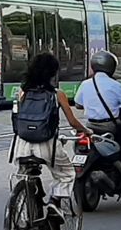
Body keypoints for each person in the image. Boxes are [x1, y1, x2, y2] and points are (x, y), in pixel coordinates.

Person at [15, 52, 86, 218]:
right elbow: (73, 122)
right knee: (67, 173)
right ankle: (55, 202)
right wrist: (86, 131)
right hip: (46, 145)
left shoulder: (22, 92)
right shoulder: (57, 94)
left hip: (22, 145)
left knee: (23, 179)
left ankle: (24, 220)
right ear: (53, 73)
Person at [79, 49, 121, 182]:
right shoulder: (115, 85)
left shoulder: (85, 84)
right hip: (110, 126)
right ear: (111, 67)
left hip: (90, 125)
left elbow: (77, 104)